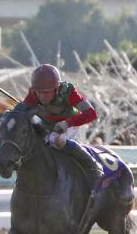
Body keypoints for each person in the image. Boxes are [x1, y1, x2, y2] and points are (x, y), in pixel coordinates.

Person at [16, 63, 103, 193]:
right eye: (39, 92)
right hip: (47, 124)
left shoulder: (68, 92)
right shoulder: (34, 92)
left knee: (58, 141)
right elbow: (22, 109)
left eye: (46, 92)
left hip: (70, 124)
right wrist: (14, 112)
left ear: (56, 88)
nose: (41, 96)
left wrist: (67, 123)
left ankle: (92, 167)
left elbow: (91, 113)